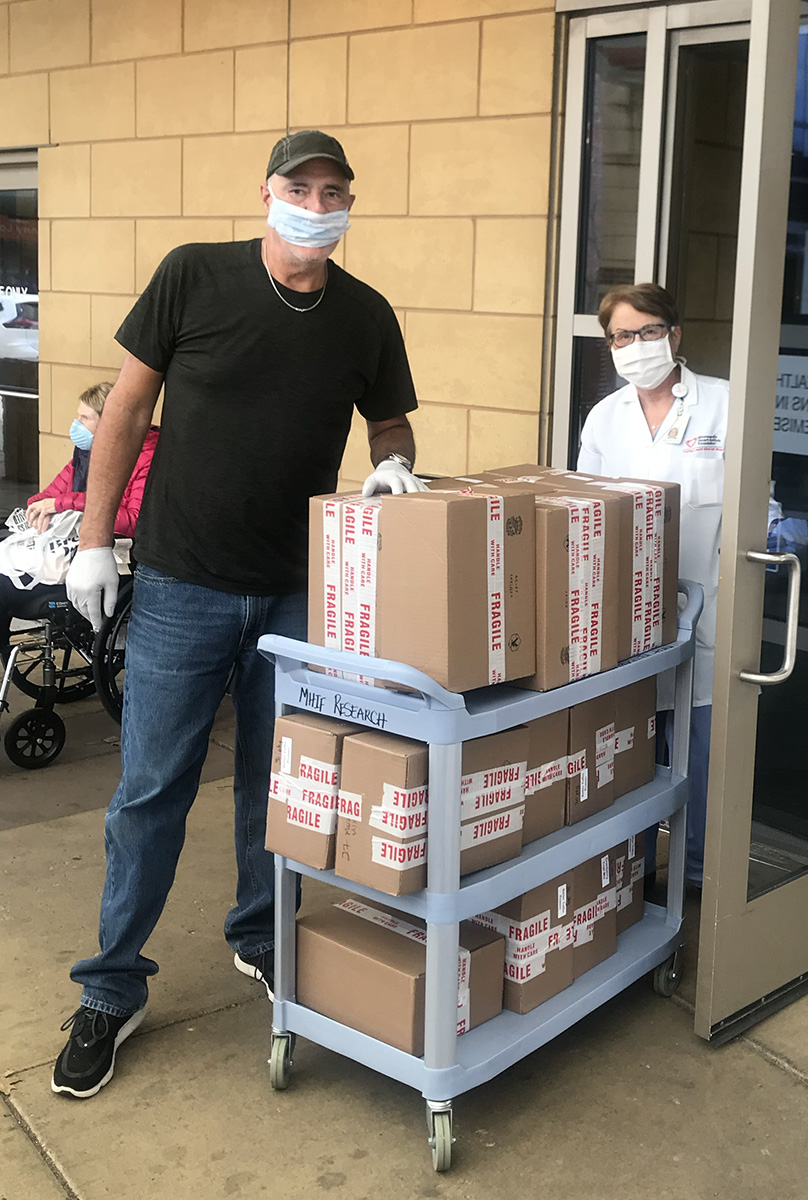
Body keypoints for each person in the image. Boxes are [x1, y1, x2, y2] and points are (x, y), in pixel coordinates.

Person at [51, 130, 426, 1100]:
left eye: (333, 189)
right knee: (150, 791)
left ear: (350, 204)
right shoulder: (194, 277)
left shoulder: (364, 316)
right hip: (182, 584)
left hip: (297, 592)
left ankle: (259, 939)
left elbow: (389, 417)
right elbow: (128, 409)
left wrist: (392, 461)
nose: (316, 202)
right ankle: (111, 988)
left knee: (279, 787)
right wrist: (97, 539)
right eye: (299, 186)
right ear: (267, 193)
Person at [577, 283, 726, 892]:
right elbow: (581, 513)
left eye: (647, 332)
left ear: (674, 335)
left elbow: (756, 497)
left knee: (701, 766)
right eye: (621, 336)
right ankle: (630, 883)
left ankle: (696, 884)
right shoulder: (605, 417)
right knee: (632, 766)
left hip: (709, 614)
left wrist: (774, 521)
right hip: (628, 627)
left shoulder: (723, 404)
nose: (635, 346)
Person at [0, 382, 157, 658]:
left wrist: (62, 504)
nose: (76, 424)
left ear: (109, 421)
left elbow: (132, 521)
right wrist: (40, 509)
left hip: (109, 559)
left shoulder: (146, 457)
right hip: (67, 550)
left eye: (84, 418)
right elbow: (43, 497)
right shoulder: (85, 455)